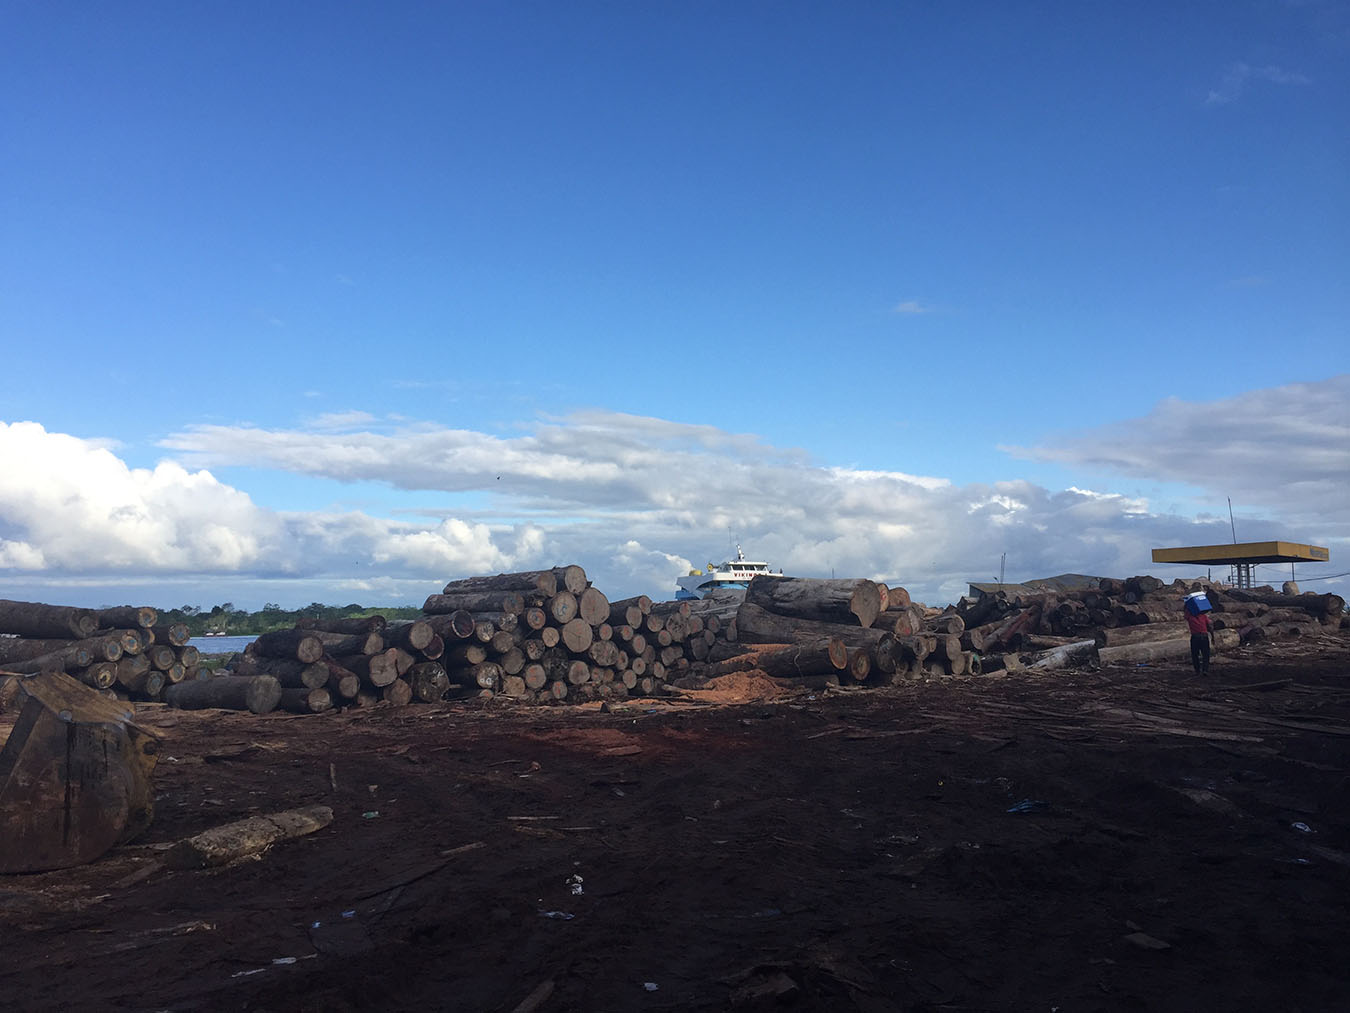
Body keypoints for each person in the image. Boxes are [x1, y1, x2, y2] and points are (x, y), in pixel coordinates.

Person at [1185, 596, 1213, 675]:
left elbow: (1185, 612)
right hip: (1203, 637)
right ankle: (1205, 670)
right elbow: (1210, 626)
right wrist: (1212, 636)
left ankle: (1197, 670)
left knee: (1195, 655)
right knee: (1205, 655)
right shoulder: (1204, 617)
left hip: (1195, 637)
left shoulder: (1190, 617)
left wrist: (1188, 604)